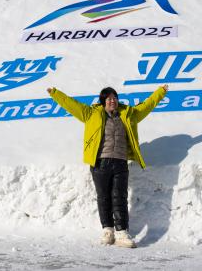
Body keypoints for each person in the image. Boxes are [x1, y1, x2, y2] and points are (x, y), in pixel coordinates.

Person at [47, 83, 168, 248]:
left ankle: (122, 232)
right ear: (103, 101)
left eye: (115, 98)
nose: (113, 101)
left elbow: (148, 105)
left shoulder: (129, 114)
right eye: (109, 98)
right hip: (100, 162)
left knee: (120, 197)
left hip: (120, 161)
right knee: (103, 197)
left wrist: (160, 92)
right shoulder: (90, 113)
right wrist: (55, 93)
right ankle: (108, 230)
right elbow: (71, 104)